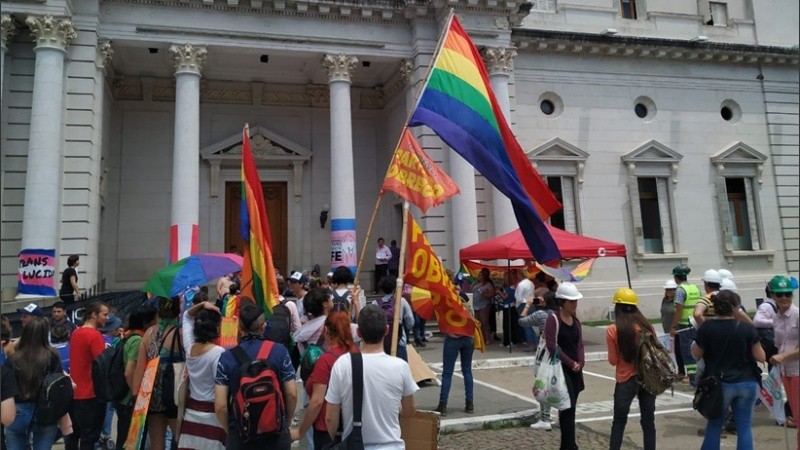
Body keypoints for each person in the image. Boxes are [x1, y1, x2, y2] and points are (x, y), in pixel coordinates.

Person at [324, 305, 418, 447]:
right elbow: (410, 411)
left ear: (358, 332)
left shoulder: (343, 364)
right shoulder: (401, 366)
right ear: (386, 330)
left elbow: (330, 417)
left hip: (355, 445)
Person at [214, 302, 297, 450]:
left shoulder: (226, 358)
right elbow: (291, 394)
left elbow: (220, 407)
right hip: (276, 435)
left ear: (239, 328)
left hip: (241, 436)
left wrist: (232, 430)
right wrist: (286, 422)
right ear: (263, 326)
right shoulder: (280, 352)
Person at [692, 290, 765, 450]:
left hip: (720, 383)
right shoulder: (746, 328)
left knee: (715, 424)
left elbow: (696, 353)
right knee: (744, 425)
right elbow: (760, 356)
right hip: (747, 380)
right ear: (736, 307)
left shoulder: (707, 328)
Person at [291, 312, 359, 448]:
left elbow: (317, 401)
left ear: (326, 331)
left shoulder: (325, 360)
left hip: (327, 427)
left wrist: (300, 431)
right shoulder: (356, 352)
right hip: (351, 423)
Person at [605, 288, 656, 450]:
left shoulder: (613, 330)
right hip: (647, 378)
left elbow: (613, 361)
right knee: (648, 421)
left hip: (625, 380)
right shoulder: (647, 327)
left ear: (617, 307)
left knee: (619, 421)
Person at [132, 297, 184, 450]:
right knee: (180, 440)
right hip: (174, 390)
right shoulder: (181, 333)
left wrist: (137, 397)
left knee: (156, 443)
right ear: (178, 310)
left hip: (152, 392)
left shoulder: (149, 333)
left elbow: (140, 368)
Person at [5, 318, 63, 450]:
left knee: (15, 438)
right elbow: (58, 383)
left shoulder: (13, 359)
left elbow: (7, 388)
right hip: (46, 409)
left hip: (18, 409)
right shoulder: (52, 355)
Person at [178, 301, 227, 450]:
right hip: (213, 417)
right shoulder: (218, 353)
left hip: (191, 413)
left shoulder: (189, 347)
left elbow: (186, 316)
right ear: (216, 327)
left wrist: (203, 304)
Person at [545, 282, 584, 450]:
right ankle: (570, 446)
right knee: (567, 408)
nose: (574, 304)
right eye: (571, 301)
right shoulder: (553, 319)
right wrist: (570, 362)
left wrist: (580, 363)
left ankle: (567, 445)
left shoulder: (575, 321)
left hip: (575, 370)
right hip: (561, 369)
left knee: (571, 408)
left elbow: (579, 344)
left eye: (576, 301)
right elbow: (552, 345)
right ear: (561, 301)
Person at [65, 302, 109, 450]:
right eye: (105, 314)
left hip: (74, 393)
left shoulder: (75, 333)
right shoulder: (95, 336)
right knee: (89, 439)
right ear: (94, 315)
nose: (107, 318)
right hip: (91, 395)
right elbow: (103, 366)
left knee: (72, 437)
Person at [114, 304, 157, 450]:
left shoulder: (128, 337)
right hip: (129, 399)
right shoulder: (138, 341)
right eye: (154, 320)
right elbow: (129, 371)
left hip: (122, 397)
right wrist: (136, 394)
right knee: (130, 440)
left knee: (124, 438)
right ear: (146, 323)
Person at [520, 291, 558, 429]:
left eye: (541, 299)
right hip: (560, 353)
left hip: (545, 353)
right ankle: (555, 415)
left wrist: (528, 304)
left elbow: (522, 321)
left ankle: (545, 418)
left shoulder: (541, 314)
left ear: (545, 301)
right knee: (555, 386)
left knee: (542, 385)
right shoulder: (561, 314)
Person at [433, 295, 475, 417]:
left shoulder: (449, 307)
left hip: (452, 340)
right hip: (468, 339)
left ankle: (443, 404)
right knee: (467, 371)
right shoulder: (467, 307)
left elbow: (443, 324)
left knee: (447, 373)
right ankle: (470, 403)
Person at [768, 275, 799, 435]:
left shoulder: (798, 315)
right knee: (796, 417)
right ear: (772, 295)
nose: (784, 297)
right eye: (779, 294)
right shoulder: (776, 318)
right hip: (785, 372)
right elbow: (779, 344)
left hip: (797, 371)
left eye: (788, 293)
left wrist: (783, 356)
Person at [668, 264, 701, 386]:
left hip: (684, 325)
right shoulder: (695, 288)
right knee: (698, 350)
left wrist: (673, 326)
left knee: (687, 352)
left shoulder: (680, 290)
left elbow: (679, 309)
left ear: (676, 278)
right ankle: (699, 376)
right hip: (696, 323)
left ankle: (694, 379)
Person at [372, 275, 414, 362]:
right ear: (395, 288)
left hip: (380, 344)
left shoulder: (375, 303)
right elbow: (410, 321)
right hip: (399, 342)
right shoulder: (401, 301)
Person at [472, 268, 496, 347]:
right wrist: (475, 281)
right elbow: (470, 288)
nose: (478, 276)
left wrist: (485, 294)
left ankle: (488, 338)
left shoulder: (487, 284)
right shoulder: (477, 283)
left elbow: (493, 294)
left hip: (484, 305)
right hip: (476, 305)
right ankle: (482, 338)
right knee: (479, 322)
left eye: (480, 275)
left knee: (484, 322)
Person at [515, 271, 538, 349]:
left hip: (523, 304)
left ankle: (530, 343)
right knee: (532, 325)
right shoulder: (531, 283)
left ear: (520, 274)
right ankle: (535, 342)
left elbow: (519, 298)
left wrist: (517, 306)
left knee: (526, 325)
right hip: (531, 303)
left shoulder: (521, 285)